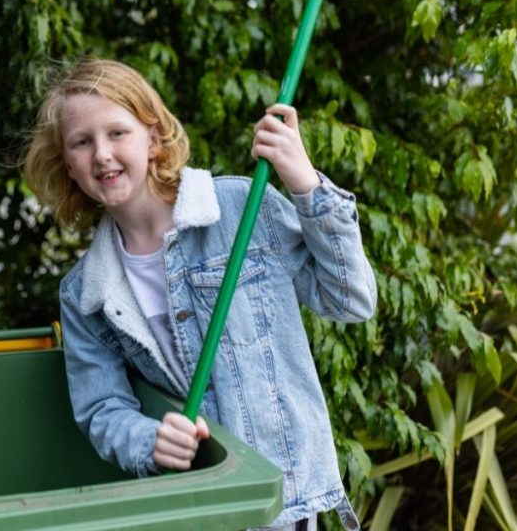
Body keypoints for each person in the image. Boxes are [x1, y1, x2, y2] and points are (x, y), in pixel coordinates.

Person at [22, 58, 376, 531]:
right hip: (197, 507)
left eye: (117, 134)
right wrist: (149, 441)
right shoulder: (86, 293)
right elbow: (102, 409)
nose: (101, 154)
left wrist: (305, 182)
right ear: (69, 163)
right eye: (82, 143)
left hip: (279, 501)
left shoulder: (240, 210)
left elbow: (350, 300)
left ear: (153, 138)